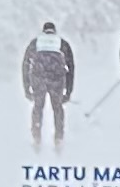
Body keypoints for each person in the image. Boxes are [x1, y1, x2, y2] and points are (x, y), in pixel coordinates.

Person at [22, 19, 78, 149]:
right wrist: (69, 90)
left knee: (38, 107)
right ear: (54, 32)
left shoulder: (35, 43)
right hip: (57, 80)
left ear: (43, 31)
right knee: (57, 108)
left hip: (39, 79)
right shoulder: (62, 43)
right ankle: (58, 137)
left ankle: (36, 136)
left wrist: (26, 87)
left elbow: (25, 64)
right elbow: (71, 67)